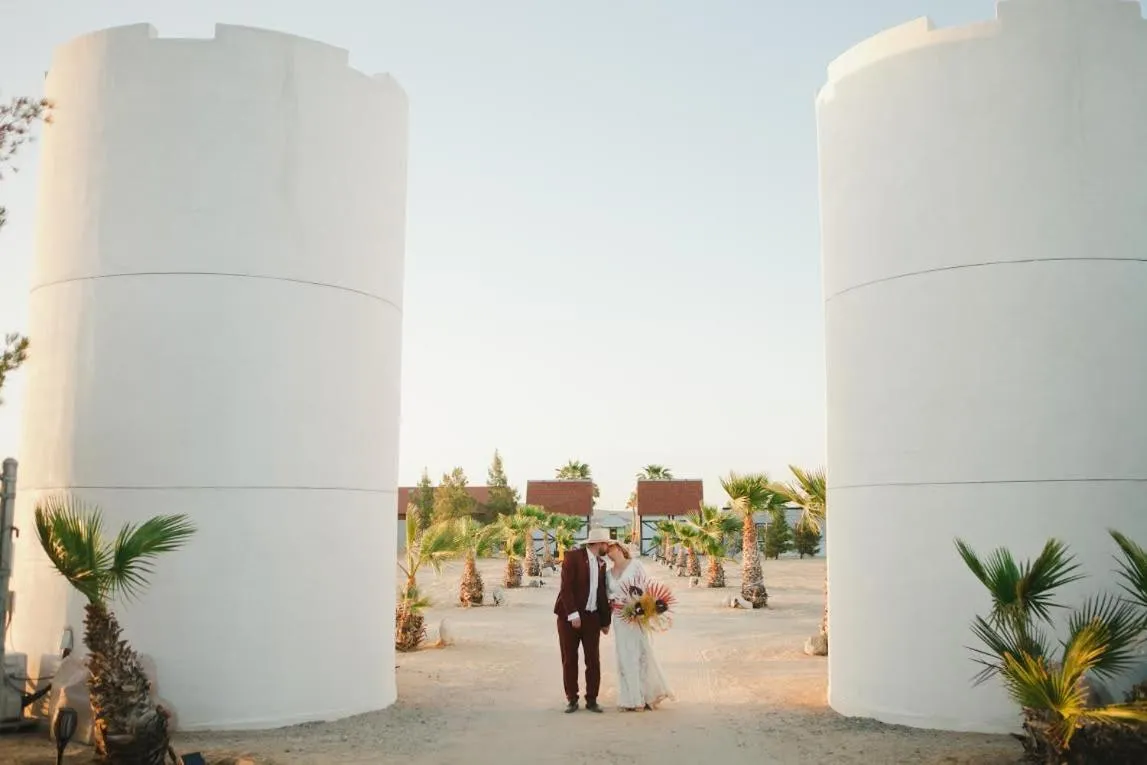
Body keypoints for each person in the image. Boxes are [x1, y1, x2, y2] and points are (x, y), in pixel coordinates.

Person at [605, 540, 674, 711]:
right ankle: (631, 699)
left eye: (610, 547)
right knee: (624, 656)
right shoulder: (607, 573)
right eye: (606, 549)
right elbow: (607, 596)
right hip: (620, 618)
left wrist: (642, 609)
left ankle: (644, 697)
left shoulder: (636, 565)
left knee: (640, 654)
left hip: (637, 616)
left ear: (619, 547)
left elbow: (646, 589)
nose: (608, 550)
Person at [554, 526, 612, 713]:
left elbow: (601, 594)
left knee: (593, 660)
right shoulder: (573, 557)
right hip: (568, 617)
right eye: (606, 543)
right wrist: (573, 614)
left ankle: (592, 699)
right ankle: (572, 698)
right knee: (569, 659)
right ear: (597, 543)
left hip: (592, 618)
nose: (608, 546)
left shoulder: (602, 563)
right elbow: (566, 589)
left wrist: (605, 622)